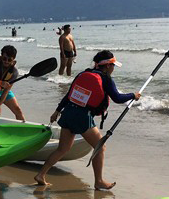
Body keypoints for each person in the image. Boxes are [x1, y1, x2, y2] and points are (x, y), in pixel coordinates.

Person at [35, 50, 140, 190]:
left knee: (63, 149)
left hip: (68, 112)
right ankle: (99, 181)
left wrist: (57, 111)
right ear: (108, 65)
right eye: (113, 65)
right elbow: (117, 98)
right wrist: (134, 95)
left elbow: (69, 94)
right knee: (100, 146)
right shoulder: (106, 78)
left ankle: (41, 174)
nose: (113, 68)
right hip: (82, 116)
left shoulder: (83, 74)